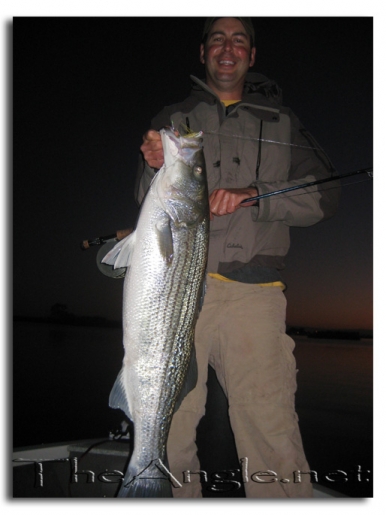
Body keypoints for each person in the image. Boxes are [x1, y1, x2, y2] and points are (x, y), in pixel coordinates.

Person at [135, 17, 340, 498]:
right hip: (177, 289)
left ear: (252, 54)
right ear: (203, 51)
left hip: (256, 293)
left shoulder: (283, 120)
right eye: (217, 39)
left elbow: (325, 197)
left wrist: (257, 195)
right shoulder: (175, 116)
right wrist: (152, 166)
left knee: (270, 428)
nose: (228, 48)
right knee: (171, 424)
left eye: (239, 39)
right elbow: (147, 204)